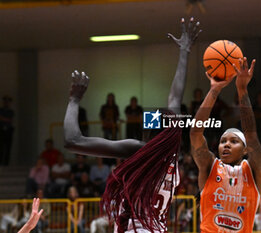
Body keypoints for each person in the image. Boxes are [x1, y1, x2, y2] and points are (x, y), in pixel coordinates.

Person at [63, 18, 201, 233]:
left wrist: (74, 101)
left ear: (152, 133)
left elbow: (73, 140)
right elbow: (175, 99)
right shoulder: (172, 155)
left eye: (148, 125)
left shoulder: (139, 149)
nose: (143, 128)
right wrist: (184, 51)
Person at [190, 57, 261, 232]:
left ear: (245, 149)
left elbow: (252, 136)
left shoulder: (254, 170)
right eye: (223, 141)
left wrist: (242, 89)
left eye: (234, 142)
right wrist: (214, 91)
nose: (226, 145)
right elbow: (195, 133)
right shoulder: (210, 165)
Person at [0, 95, 14, 166]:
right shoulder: (0, 110)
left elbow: (10, 120)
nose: (6, 103)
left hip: (8, 130)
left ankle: (6, 163)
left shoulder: (11, 111)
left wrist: (3, 118)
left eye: (7, 102)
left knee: (8, 147)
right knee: (1, 146)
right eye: (5, 101)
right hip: (1, 129)